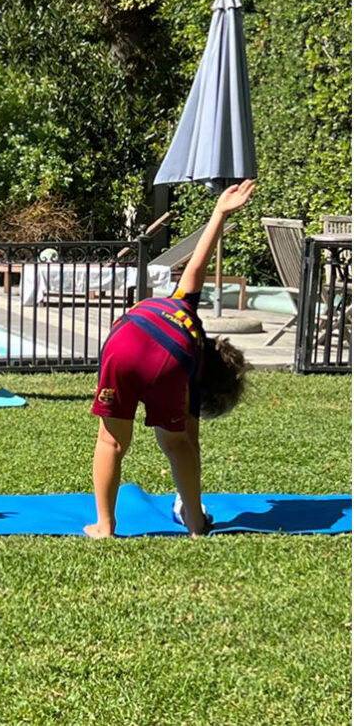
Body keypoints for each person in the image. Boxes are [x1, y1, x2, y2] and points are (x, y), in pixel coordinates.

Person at [85, 179, 256, 538]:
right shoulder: (193, 370)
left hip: (122, 342)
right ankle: (195, 524)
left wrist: (219, 213)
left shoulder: (185, 305)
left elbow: (197, 263)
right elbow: (188, 444)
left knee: (111, 442)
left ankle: (104, 525)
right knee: (178, 443)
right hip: (170, 358)